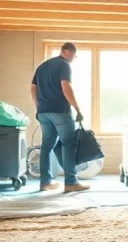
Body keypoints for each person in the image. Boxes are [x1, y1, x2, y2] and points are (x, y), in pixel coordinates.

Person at [31, 42, 89, 193]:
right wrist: (77, 108)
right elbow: (66, 86)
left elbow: (33, 88)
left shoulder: (42, 66)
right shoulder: (64, 65)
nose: (72, 59)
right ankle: (71, 182)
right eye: (72, 55)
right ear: (66, 51)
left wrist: (38, 107)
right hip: (60, 111)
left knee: (47, 146)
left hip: (43, 112)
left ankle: (45, 183)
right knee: (68, 144)